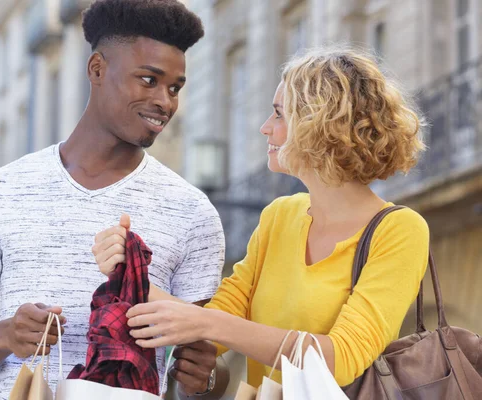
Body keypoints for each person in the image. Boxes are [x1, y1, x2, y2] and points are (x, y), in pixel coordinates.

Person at [0, 0, 226, 398]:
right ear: (97, 69)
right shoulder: (1, 191)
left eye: (175, 88)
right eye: (148, 80)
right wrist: (6, 335)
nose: (165, 102)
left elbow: (206, 368)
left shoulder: (193, 214)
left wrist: (206, 376)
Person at [96, 47, 429, 395]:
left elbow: (342, 357)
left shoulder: (399, 231)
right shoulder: (279, 217)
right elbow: (213, 323)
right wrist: (130, 269)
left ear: (322, 124)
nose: (265, 128)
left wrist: (209, 322)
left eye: (279, 115)